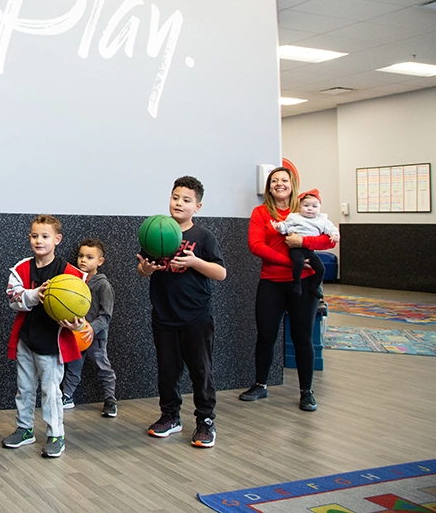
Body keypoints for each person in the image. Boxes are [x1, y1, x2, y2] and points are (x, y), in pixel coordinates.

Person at [136, 176, 227, 448]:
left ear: (197, 206)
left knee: (201, 370)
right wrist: (147, 270)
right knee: (167, 370)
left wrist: (196, 261)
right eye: (176, 197)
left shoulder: (203, 237)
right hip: (163, 315)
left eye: (186, 200)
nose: (179, 203)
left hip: (196, 316)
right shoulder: (156, 230)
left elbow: (221, 273)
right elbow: (142, 268)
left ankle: (205, 421)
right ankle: (170, 416)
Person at [241, 168, 336, 412]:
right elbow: (255, 245)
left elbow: (329, 239)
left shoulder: (305, 209)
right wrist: (289, 261)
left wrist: (303, 243)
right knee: (266, 336)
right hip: (271, 281)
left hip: (304, 282)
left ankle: (307, 392)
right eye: (274, 181)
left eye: (284, 180)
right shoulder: (261, 213)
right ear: (268, 187)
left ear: (292, 184)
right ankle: (260, 385)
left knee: (303, 338)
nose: (279, 184)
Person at [2, 214, 86, 459]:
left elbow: (81, 303)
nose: (39, 241)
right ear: (29, 238)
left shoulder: (70, 273)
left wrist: (78, 322)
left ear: (57, 239)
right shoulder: (21, 269)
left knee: (51, 391)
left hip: (52, 342)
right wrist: (35, 294)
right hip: (26, 339)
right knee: (24, 388)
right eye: (35, 236)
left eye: (45, 236)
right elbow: (13, 300)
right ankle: (25, 428)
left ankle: (56, 434)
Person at [61, 238, 118, 418]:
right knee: (73, 367)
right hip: (76, 336)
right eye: (81, 256)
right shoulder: (76, 282)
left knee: (103, 367)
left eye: (89, 257)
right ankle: (67, 397)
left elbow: (106, 315)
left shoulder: (103, 285)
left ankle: (110, 400)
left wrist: (92, 329)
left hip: (96, 337)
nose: (83, 260)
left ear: (100, 261)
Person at [270, 188, 340, 299]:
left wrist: (335, 235)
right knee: (298, 262)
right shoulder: (294, 217)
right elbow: (285, 226)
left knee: (321, 268)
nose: (310, 209)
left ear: (320, 208)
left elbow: (331, 229)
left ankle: (314, 286)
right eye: (306, 206)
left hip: (310, 250)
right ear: (300, 207)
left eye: (314, 207)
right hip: (295, 249)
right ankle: (296, 283)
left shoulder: (322, 220)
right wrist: (279, 227)